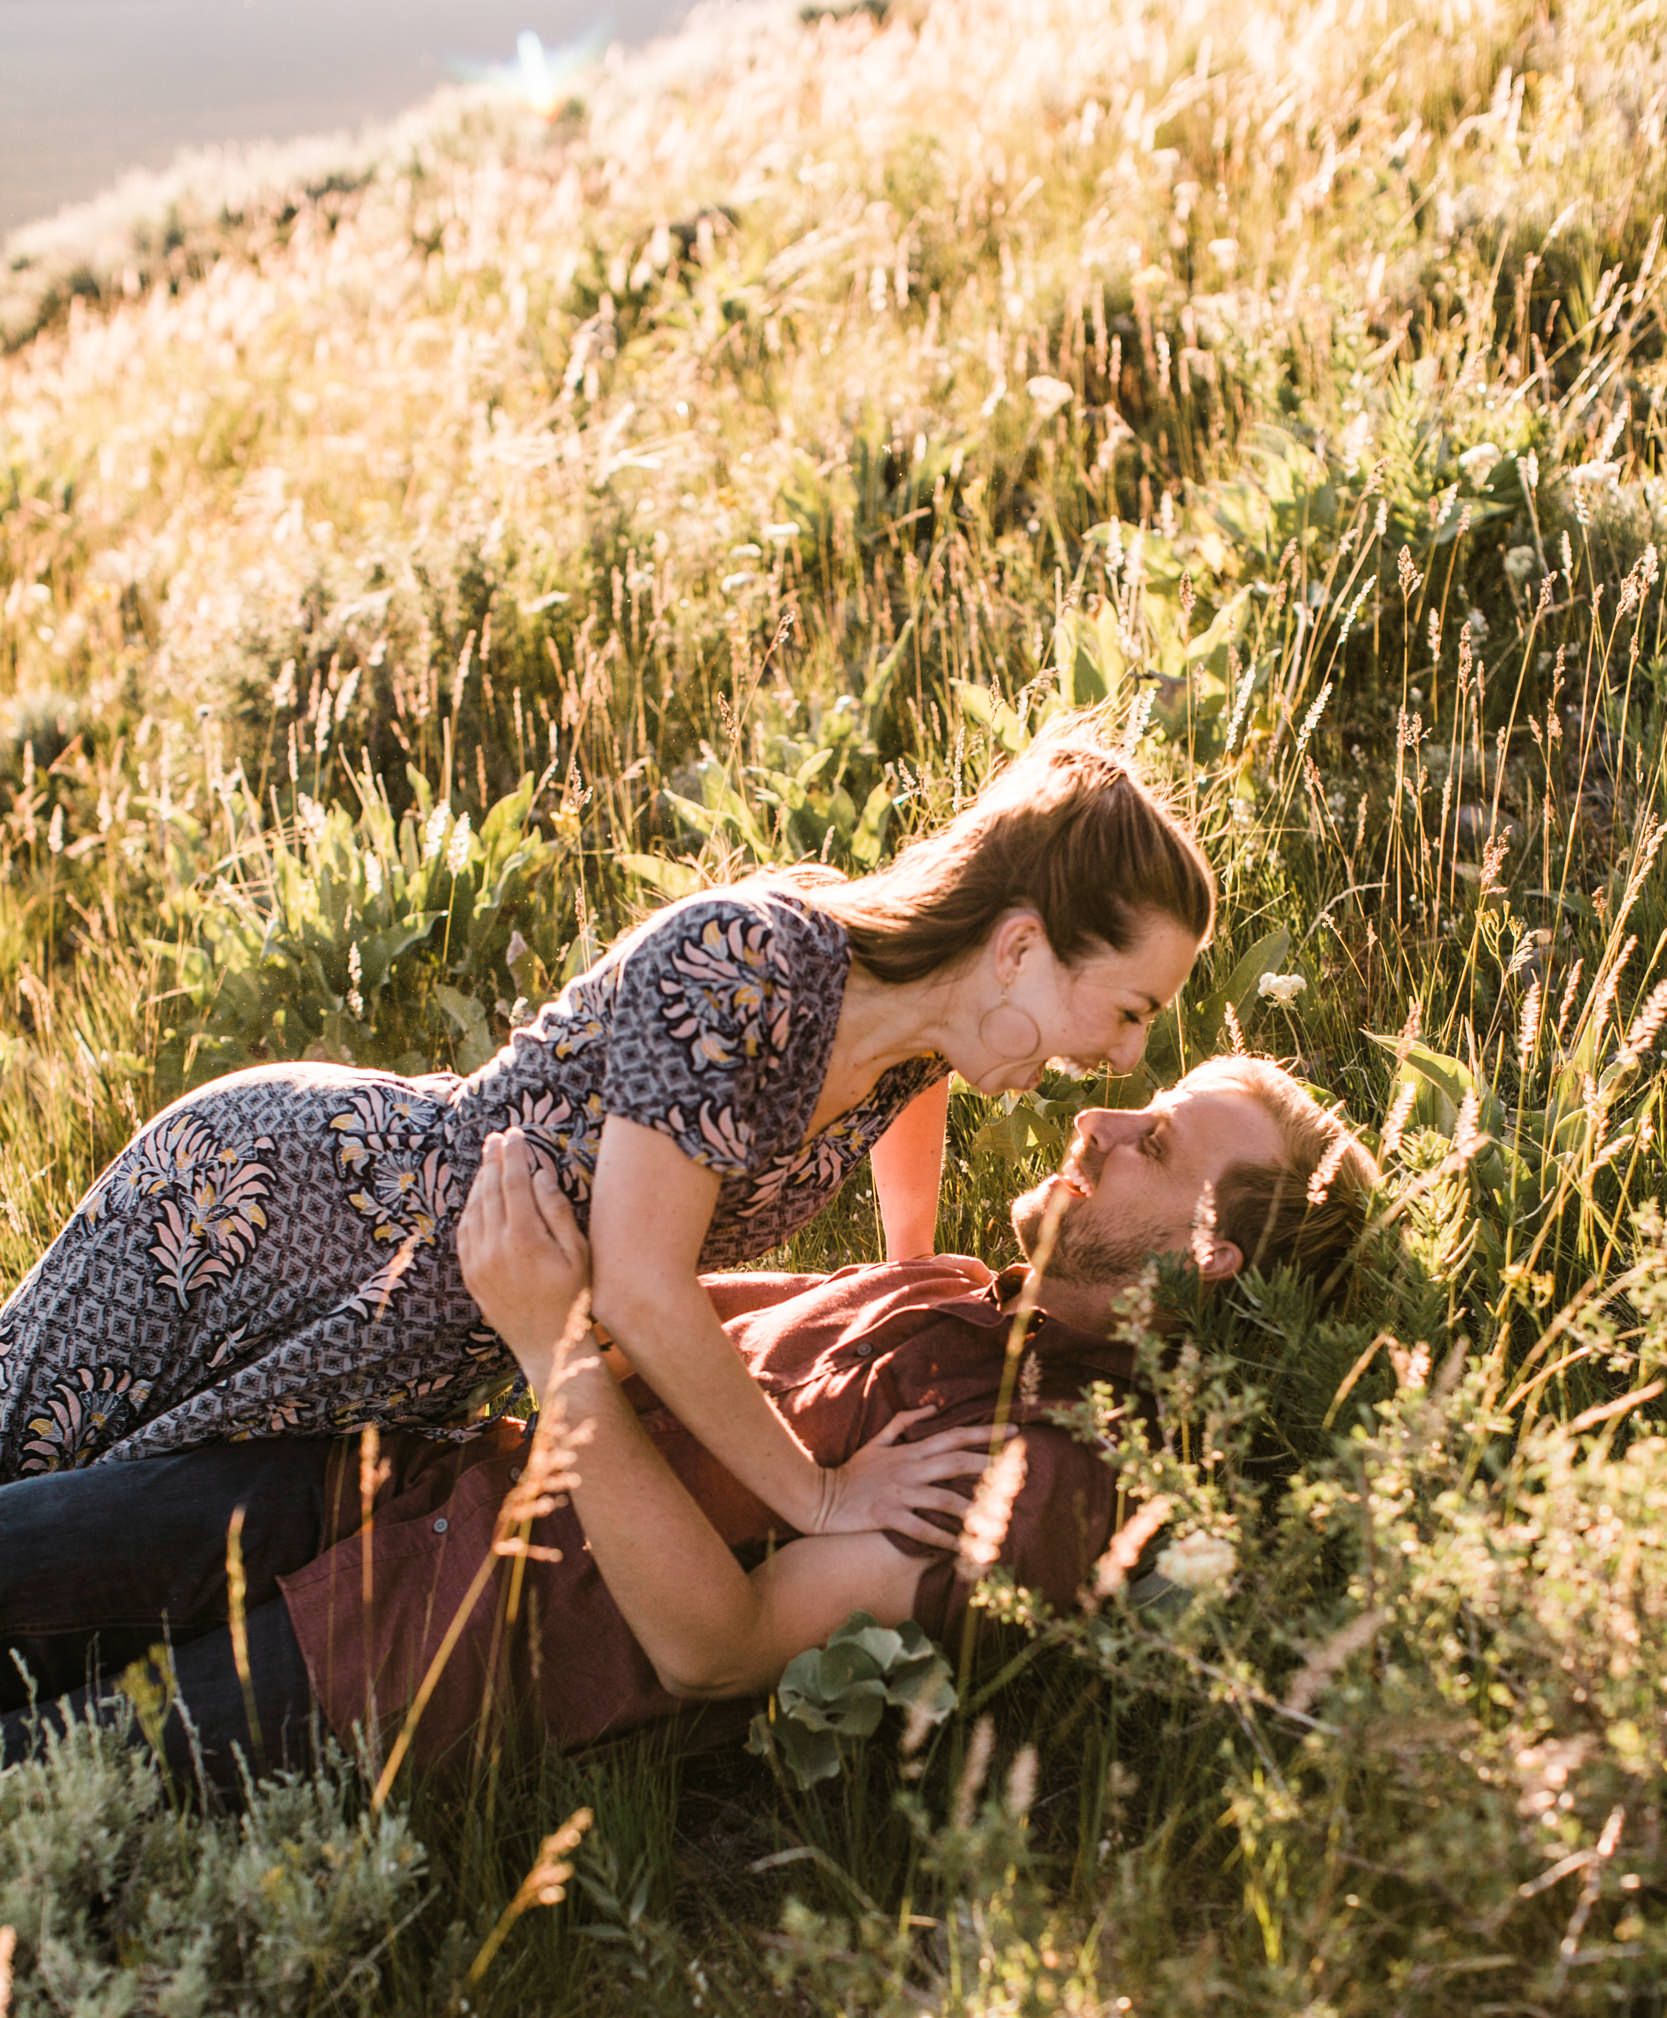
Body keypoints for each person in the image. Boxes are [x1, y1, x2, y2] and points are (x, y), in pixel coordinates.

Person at [0, 1057, 1379, 1792]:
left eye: (1156, 1142)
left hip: (410, 1661)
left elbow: (711, 1650)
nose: (1099, 1117)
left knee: (34, 1784)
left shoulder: (1042, 1488)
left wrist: (549, 1347)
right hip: (370, 1486)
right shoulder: (959, 1293)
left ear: (1212, 1259)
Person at [0, 726, 1212, 1560]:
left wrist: (903, 1262)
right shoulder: (750, 963)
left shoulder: (918, 1035)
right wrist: (819, 1493)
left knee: (70, 1542)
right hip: (280, 1216)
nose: (1121, 1058)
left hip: (407, 1347)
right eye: (1127, 1008)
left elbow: (912, 1105)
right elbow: (637, 1286)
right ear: (1016, 948)